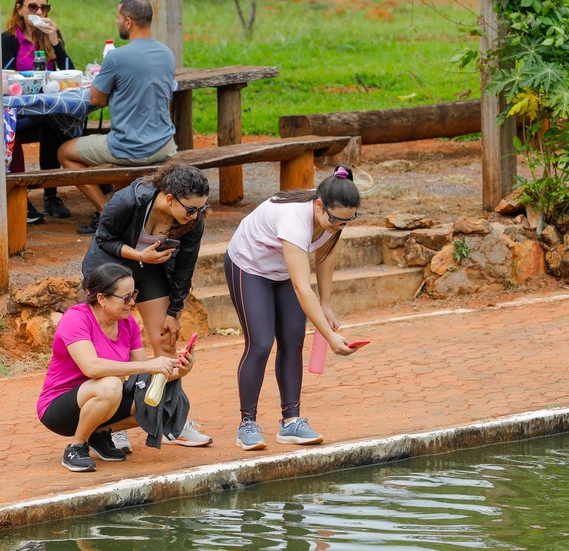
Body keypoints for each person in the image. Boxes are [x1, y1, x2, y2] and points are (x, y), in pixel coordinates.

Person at [223, 165, 363, 451]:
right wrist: (330, 337)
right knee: (260, 343)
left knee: (292, 339)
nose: (339, 226)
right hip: (249, 266)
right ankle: (247, 423)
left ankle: (291, 422)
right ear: (319, 205)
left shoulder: (334, 213)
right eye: (336, 220)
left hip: (282, 271)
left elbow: (325, 254)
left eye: (347, 222)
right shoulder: (294, 218)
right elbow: (302, 287)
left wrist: (326, 304)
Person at [81, 162, 213, 451]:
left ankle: (172, 422)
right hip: (111, 266)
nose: (196, 215)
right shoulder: (130, 199)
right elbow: (104, 239)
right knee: (112, 349)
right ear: (169, 198)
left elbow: (186, 266)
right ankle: (113, 427)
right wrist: (139, 254)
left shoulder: (192, 221)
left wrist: (174, 311)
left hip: (150, 270)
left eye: (201, 209)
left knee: (166, 342)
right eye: (191, 209)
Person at [36, 263, 192, 472]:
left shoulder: (128, 324)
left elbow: (144, 374)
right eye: (126, 297)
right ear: (101, 298)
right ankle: (76, 446)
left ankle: (98, 435)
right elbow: (91, 367)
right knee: (110, 385)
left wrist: (180, 370)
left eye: (134, 294)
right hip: (59, 408)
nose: (132, 302)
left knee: (163, 394)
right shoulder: (76, 318)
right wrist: (149, 364)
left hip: (105, 400)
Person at [59, 0, 177, 236]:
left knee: (64, 152)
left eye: (118, 17)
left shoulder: (116, 57)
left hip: (130, 147)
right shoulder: (167, 53)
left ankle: (108, 214)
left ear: (129, 21)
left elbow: (96, 99)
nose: (116, 22)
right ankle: (123, 207)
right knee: (116, 159)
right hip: (165, 145)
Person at [2, 0, 76, 225]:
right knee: (57, 120)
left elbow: (70, 74)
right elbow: (2, 75)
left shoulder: (51, 35)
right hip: (18, 112)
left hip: (45, 111)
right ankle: (84, 172)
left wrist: (56, 42)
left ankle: (51, 195)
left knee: (52, 119)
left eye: (44, 7)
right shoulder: (9, 40)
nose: (39, 12)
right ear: (20, 8)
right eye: (33, 6)